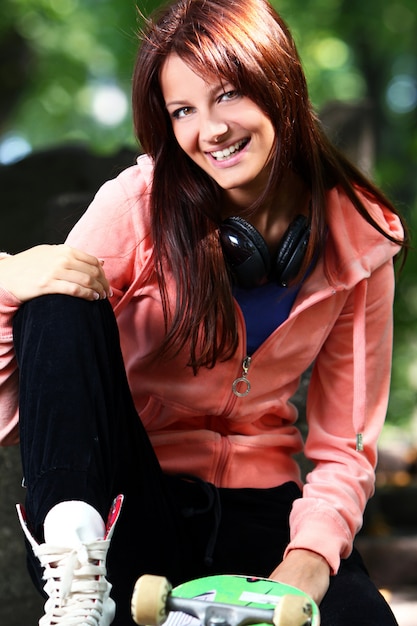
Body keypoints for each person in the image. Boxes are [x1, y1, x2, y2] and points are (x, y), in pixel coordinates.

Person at [0, 0, 408, 624]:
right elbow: (38, 386)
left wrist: (309, 559)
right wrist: (5, 281)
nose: (210, 130)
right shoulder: (137, 205)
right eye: (183, 111)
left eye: (228, 95)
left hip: (265, 510)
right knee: (57, 294)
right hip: (127, 512)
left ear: (278, 83)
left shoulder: (361, 237)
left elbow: (345, 445)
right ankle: (77, 582)